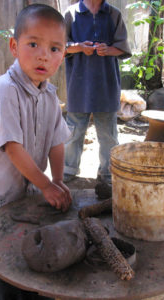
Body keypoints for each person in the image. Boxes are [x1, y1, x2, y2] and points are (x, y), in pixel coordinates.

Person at [0, 4, 71, 299]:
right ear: (14, 46)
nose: (42, 55)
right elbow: (13, 148)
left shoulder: (48, 95)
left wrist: (58, 179)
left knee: (20, 262)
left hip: (20, 196)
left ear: (63, 55)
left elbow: (56, 141)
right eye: (33, 44)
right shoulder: (5, 90)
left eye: (54, 49)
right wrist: (47, 185)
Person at [63, 0, 131, 196]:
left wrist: (108, 50)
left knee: (108, 134)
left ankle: (108, 174)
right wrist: (77, 46)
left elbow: (123, 47)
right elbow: (60, 46)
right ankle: (68, 171)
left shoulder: (113, 14)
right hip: (79, 83)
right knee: (73, 131)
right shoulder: (71, 14)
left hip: (106, 83)